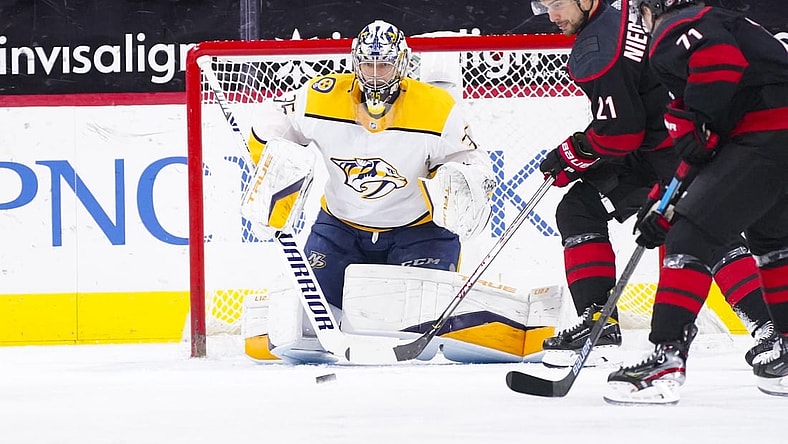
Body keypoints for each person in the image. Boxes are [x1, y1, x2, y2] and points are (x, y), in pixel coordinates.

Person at [531, 0, 773, 369]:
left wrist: (575, 151)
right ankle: (598, 323)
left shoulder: (598, 47)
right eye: (545, 5)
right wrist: (582, 150)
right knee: (580, 208)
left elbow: (620, 134)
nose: (552, 16)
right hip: (656, 147)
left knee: (704, 229)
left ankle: (770, 326)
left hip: (685, 145)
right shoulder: (618, 17)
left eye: (559, 4)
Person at [242, 20, 497, 363]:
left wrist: (459, 180)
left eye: (385, 65)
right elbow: (272, 123)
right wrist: (272, 159)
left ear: (403, 64)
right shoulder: (321, 96)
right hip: (339, 230)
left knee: (415, 338)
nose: (376, 74)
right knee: (304, 334)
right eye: (368, 65)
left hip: (420, 233)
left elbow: (474, 165)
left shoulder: (437, 107)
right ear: (354, 63)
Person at [605, 0, 788, 403]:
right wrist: (661, 199)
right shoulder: (726, 20)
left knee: (689, 238)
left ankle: (666, 358)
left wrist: (699, 120)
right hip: (772, 137)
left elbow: (719, 62)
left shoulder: (679, 24)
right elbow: (703, 144)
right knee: (772, 245)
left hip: (765, 138)